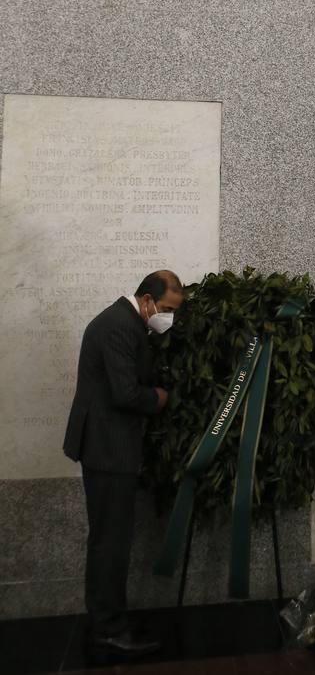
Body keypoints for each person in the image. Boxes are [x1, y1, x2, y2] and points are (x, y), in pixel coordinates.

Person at [63, 270, 184, 656]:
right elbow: (125, 393)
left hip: (109, 446)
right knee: (110, 543)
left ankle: (109, 619)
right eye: (166, 309)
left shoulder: (126, 322)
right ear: (147, 299)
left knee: (110, 539)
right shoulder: (119, 326)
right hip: (107, 449)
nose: (167, 318)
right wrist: (160, 398)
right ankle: (108, 628)